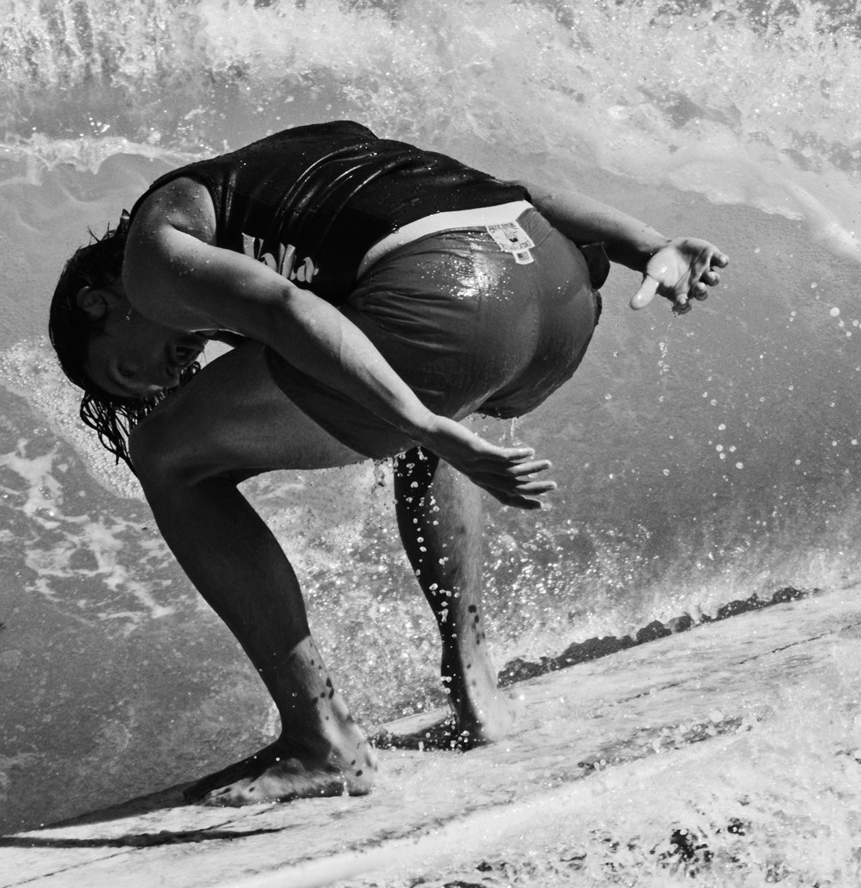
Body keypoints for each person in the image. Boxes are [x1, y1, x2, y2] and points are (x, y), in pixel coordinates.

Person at [46, 121, 727, 805]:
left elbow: (285, 305)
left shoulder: (155, 253)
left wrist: (418, 419)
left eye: (123, 369)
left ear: (98, 301)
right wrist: (650, 244)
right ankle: (475, 685)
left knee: (167, 453)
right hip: (554, 291)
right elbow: (517, 195)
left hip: (452, 305)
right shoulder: (301, 171)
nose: (162, 380)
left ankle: (321, 740)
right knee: (384, 379)